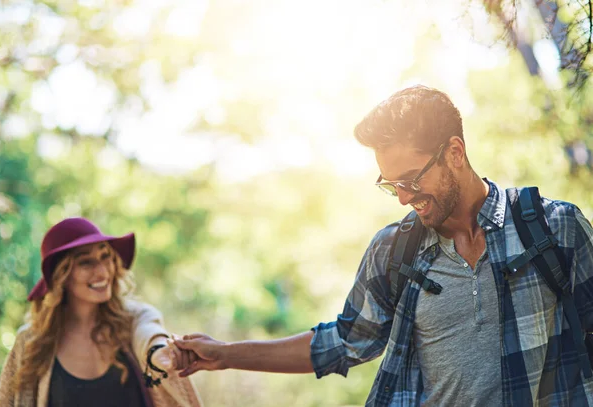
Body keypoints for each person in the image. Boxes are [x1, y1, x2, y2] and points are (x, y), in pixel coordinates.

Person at [173, 85, 593, 406]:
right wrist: (225, 354)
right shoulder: (395, 252)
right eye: (391, 186)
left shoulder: (555, 228)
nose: (405, 198)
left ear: (455, 152)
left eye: (411, 180)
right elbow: (340, 343)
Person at [0, 217, 203, 407]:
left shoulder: (135, 319)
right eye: (86, 262)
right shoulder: (30, 343)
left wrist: (159, 354)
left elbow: (149, 333)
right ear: (62, 275)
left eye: (105, 256)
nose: (103, 271)